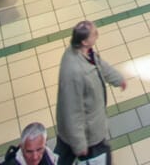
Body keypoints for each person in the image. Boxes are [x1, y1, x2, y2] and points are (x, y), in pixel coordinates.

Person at [54, 22, 127, 165]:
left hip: (83, 130)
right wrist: (80, 144)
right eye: (94, 33)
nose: (97, 35)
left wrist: (118, 79)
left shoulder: (85, 52)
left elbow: (99, 65)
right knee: (97, 159)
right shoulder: (74, 71)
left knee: (63, 156)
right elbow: (71, 112)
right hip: (87, 134)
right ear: (84, 41)